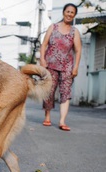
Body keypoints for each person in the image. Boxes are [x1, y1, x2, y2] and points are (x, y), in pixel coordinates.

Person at [39, 3, 82, 131]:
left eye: (72, 12)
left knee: (66, 92)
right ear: (63, 12)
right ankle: (47, 116)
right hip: (50, 65)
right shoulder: (53, 27)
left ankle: (62, 121)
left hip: (67, 67)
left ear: (74, 15)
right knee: (49, 91)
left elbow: (78, 50)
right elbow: (44, 44)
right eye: (67, 11)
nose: (69, 14)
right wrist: (42, 59)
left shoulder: (75, 31)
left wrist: (76, 67)